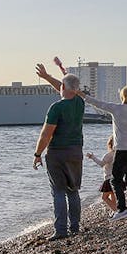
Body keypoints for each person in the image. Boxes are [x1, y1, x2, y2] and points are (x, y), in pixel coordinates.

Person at [76, 84, 127, 220]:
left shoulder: (117, 109)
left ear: (123, 96)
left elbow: (98, 104)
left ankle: (121, 209)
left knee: (115, 180)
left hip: (122, 149)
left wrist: (83, 95)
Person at [33, 64, 85, 241]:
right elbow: (66, 88)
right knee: (73, 190)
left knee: (59, 191)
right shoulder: (80, 102)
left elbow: (46, 134)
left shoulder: (56, 108)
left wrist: (37, 154)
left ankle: (61, 230)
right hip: (76, 152)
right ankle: (75, 227)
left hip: (57, 153)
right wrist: (48, 77)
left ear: (63, 88)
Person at [86, 136, 116, 212]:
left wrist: (92, 157)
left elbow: (101, 164)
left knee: (104, 197)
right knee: (113, 195)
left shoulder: (109, 155)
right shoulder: (119, 154)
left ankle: (116, 210)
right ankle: (116, 210)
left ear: (110, 144)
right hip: (117, 178)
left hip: (109, 178)